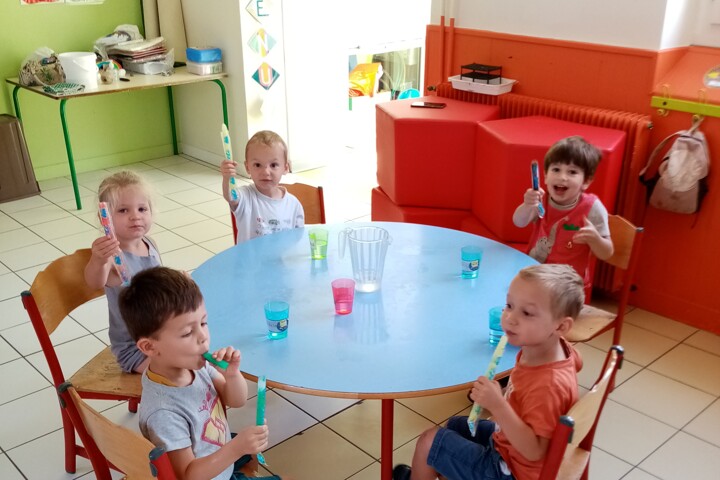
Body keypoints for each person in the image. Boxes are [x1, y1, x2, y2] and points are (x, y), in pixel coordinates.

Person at [393, 263, 584, 480]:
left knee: (430, 442)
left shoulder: (548, 385)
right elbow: (578, 362)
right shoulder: (554, 349)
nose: (510, 318)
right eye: (509, 305)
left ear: (560, 327)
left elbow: (534, 451)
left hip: (513, 470)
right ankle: (432, 471)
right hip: (509, 448)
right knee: (456, 426)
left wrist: (498, 405)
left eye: (527, 313)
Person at [119, 266, 280, 480]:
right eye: (187, 332)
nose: (203, 336)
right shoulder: (163, 412)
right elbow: (188, 475)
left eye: (203, 322)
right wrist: (236, 448)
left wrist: (232, 375)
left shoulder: (195, 365)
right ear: (149, 347)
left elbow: (237, 399)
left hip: (218, 455)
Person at [512, 136, 613, 292]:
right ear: (545, 176)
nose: (562, 177)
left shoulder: (592, 207)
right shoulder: (541, 198)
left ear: (586, 182)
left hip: (567, 286)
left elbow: (607, 252)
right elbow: (519, 222)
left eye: (572, 172)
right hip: (534, 273)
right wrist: (527, 205)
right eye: (556, 169)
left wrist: (596, 239)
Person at [84, 170, 160, 374]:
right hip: (135, 347)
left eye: (142, 208)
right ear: (104, 218)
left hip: (161, 333)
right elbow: (94, 282)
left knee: (201, 351)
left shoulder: (149, 243)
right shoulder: (112, 257)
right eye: (123, 210)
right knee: (180, 371)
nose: (135, 216)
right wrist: (98, 260)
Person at [221, 130, 304, 243]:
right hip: (250, 261)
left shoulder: (294, 205)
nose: (265, 172)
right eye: (258, 165)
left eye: (273, 165)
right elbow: (230, 196)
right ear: (247, 167)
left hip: (281, 260)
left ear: (285, 168)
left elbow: (298, 241)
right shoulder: (245, 197)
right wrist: (227, 178)